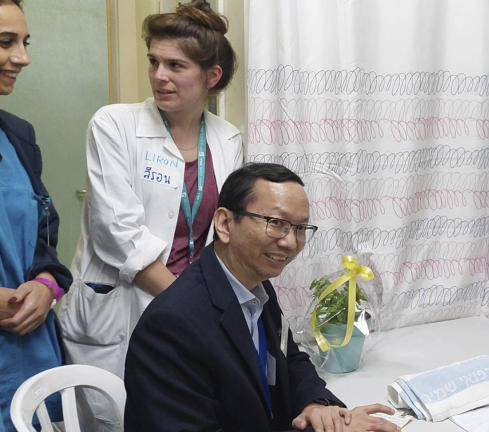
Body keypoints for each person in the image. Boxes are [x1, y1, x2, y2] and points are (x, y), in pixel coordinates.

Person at [124, 163, 399, 432]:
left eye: (301, 228)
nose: (291, 242)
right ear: (225, 223)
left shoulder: (255, 286)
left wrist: (317, 406)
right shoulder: (170, 326)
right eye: (276, 223)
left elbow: (289, 360)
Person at [58, 0, 243, 382]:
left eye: (176, 65)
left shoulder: (228, 139)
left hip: (190, 311)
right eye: (153, 61)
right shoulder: (114, 124)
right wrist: (189, 306)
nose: (159, 76)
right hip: (123, 312)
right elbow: (117, 232)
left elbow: (223, 233)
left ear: (212, 76)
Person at [0, 0, 74, 429]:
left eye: (24, 42)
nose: (22, 57)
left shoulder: (19, 136)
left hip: (30, 355)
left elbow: (45, 236)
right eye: (5, 42)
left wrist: (47, 286)